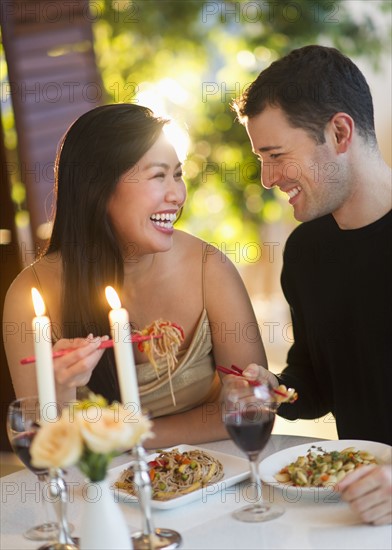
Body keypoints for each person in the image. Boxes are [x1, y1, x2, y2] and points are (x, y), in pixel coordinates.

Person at [3, 103, 268, 449]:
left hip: (214, 480)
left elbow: (252, 406)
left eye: (178, 174)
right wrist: (62, 389)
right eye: (159, 176)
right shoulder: (31, 296)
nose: (177, 195)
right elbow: (43, 445)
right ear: (98, 189)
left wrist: (129, 438)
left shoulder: (209, 269)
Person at [232, 45, 392, 525]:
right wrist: (276, 388)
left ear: (339, 132)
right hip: (354, 515)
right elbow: (318, 380)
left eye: (277, 155)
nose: (267, 178)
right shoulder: (305, 252)